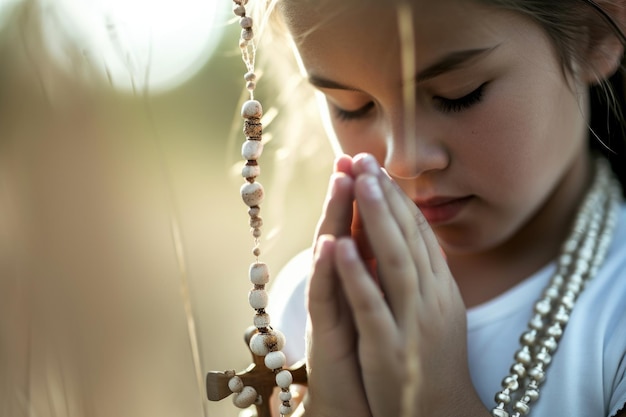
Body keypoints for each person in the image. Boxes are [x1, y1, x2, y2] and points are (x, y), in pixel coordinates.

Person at [262, 0, 626, 416]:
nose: (402, 161)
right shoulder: (312, 311)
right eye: (351, 106)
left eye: (459, 94)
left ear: (592, 34)